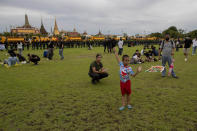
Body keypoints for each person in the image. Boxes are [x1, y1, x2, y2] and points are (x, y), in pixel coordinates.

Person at [113, 47, 142, 111]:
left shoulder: (129, 68)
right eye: (126, 60)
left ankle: (128, 104)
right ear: (123, 61)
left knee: (128, 94)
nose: (127, 62)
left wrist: (137, 71)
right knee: (123, 94)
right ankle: (123, 105)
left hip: (127, 82)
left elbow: (133, 75)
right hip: (122, 83)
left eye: (128, 60)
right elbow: (117, 57)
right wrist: (115, 51)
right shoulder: (121, 65)